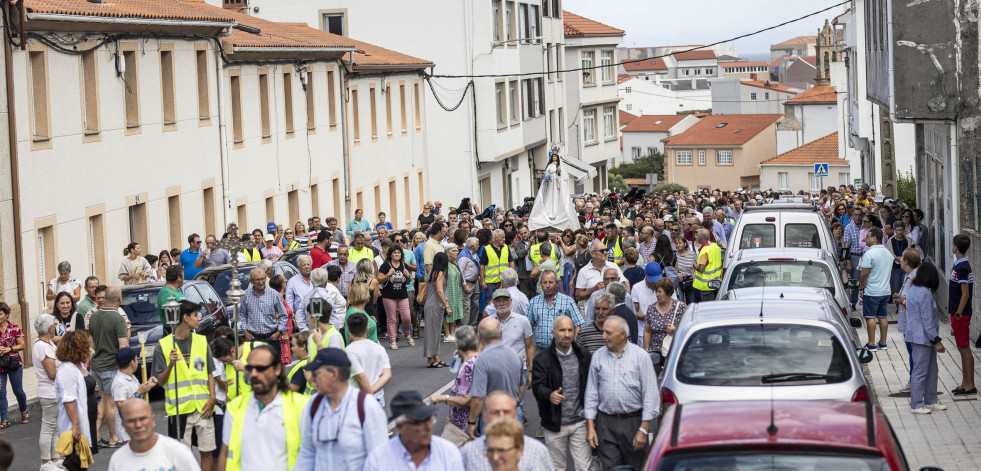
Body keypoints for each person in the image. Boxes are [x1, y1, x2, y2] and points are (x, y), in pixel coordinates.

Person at [217, 344, 310, 471]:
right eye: (250, 368)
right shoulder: (235, 409)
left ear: (277, 369)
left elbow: (314, 454)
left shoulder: (301, 406)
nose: (254, 374)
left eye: (260, 368)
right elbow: (225, 455)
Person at [585, 316, 659, 470]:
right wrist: (590, 427)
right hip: (606, 423)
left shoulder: (641, 357)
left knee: (635, 466)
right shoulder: (598, 356)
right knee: (609, 467)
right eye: (603, 332)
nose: (603, 336)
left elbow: (651, 396)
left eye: (608, 333)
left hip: (634, 423)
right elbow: (591, 394)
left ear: (622, 335)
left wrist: (643, 430)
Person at [295, 348, 388, 470]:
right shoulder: (312, 406)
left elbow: (379, 460)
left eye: (316, 374)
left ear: (333, 374)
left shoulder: (366, 406)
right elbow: (306, 454)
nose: (311, 379)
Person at [153, 300, 217, 469]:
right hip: (180, 409)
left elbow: (210, 372)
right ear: (185, 318)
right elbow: (160, 381)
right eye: (196, 315)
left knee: (206, 451)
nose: (199, 318)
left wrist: (212, 399)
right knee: (182, 455)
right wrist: (170, 364)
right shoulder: (164, 346)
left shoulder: (202, 341)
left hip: (204, 407)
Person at [532, 316, 592, 471]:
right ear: (553, 332)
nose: (566, 334)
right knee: (557, 467)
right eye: (562, 330)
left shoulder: (583, 355)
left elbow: (592, 385)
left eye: (570, 330)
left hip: (580, 422)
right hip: (554, 422)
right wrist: (549, 395)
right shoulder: (542, 359)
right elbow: (537, 387)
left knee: (584, 467)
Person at [364, 390, 463, 470]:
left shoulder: (448, 452)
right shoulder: (378, 459)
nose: (428, 427)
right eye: (418, 423)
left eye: (430, 420)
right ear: (400, 426)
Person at [460, 392, 552, 471]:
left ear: (515, 414)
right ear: (484, 416)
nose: (501, 417)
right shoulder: (468, 452)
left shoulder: (536, 450)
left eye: (506, 411)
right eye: (495, 412)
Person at [904, 261, 948, 414]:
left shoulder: (914, 289)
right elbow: (927, 320)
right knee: (921, 372)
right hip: (922, 338)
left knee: (931, 370)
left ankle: (930, 400)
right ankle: (916, 404)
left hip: (917, 336)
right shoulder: (924, 293)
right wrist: (937, 340)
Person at [468, 318, 523, 437]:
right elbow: (521, 386)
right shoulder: (515, 356)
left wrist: (472, 422)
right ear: (501, 333)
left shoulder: (482, 360)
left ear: (479, 336)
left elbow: (478, 398)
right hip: (514, 412)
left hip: (492, 416)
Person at [109, 399, 201, 471]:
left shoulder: (177, 451)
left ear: (153, 420)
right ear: (123, 425)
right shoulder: (117, 460)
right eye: (131, 421)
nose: (138, 425)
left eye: (143, 419)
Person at [88, 286, 128, 448]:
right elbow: (123, 346)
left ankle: (96, 435)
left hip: (96, 365)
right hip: (111, 366)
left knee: (103, 400)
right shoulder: (118, 318)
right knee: (111, 402)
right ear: (119, 298)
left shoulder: (94, 316)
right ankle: (113, 438)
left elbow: (90, 342)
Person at [428, 326, 479, 445]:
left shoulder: (467, 366)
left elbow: (466, 400)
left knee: (443, 455)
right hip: (476, 420)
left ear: (457, 345)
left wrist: (442, 398)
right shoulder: (479, 359)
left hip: (462, 423)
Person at [487, 289, 535, 401]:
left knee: (516, 405)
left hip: (518, 370)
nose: (502, 303)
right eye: (498, 301)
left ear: (510, 302)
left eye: (505, 300)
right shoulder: (488, 322)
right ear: (493, 304)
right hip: (495, 371)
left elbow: (530, 346)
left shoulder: (523, 321)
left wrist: (531, 372)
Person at [55, 332, 93, 452]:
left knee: (81, 464)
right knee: (74, 465)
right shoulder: (67, 370)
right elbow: (68, 399)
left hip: (85, 422)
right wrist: (76, 425)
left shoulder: (78, 366)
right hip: (74, 427)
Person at [238, 268, 289, 355]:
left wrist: (278, 332)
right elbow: (242, 314)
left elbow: (284, 315)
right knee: (255, 367)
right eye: (257, 280)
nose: (261, 282)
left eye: (263, 279)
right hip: (253, 338)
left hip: (271, 338)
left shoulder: (274, 294)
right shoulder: (245, 295)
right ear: (251, 281)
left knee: (273, 367)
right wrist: (245, 331)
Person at [111, 347, 157, 443]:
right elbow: (121, 405)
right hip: (127, 434)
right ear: (132, 363)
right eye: (136, 359)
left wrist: (148, 385)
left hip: (137, 429)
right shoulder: (119, 382)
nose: (137, 362)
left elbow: (137, 393)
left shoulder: (131, 377)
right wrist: (138, 392)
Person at [527, 271, 584, 349]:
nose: (547, 286)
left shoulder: (568, 301)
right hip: (539, 350)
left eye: (551, 282)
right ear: (540, 284)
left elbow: (578, 325)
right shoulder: (533, 302)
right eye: (545, 282)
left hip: (562, 349)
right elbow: (527, 328)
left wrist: (574, 347)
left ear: (557, 284)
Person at [346, 312, 392, 404]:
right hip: (377, 398)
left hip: (358, 400)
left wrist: (368, 394)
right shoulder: (379, 348)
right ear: (367, 329)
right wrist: (372, 392)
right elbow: (387, 375)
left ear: (348, 330)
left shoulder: (349, 350)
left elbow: (361, 376)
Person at [33, 314, 60, 468]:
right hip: (50, 392)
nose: (54, 328)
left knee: (55, 426)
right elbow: (52, 373)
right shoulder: (42, 346)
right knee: (48, 426)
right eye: (54, 325)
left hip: (53, 392)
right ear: (50, 328)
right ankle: (46, 461)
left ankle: (55, 458)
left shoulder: (47, 343)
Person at [949, 234, 975, 395]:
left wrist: (958, 313)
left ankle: (970, 384)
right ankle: (965, 382)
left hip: (961, 314)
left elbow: (965, 294)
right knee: (961, 347)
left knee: (965, 348)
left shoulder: (962, 268)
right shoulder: (960, 265)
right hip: (958, 313)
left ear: (955, 247)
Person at [860, 227, 893, 351]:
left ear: (874, 239)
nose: (865, 239)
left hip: (872, 290)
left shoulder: (869, 254)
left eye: (867, 237)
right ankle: (883, 342)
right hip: (885, 290)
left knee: (870, 317)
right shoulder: (888, 253)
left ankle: (871, 343)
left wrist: (861, 288)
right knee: (883, 317)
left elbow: (864, 273)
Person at [528, 153, 580, 231]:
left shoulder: (559, 166)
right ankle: (549, 213)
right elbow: (547, 172)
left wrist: (558, 177)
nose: (554, 158)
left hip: (556, 183)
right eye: (553, 156)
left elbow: (563, 176)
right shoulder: (550, 165)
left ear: (557, 158)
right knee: (549, 197)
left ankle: (555, 213)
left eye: (555, 156)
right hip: (550, 184)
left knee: (556, 196)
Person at [643, 278, 686, 368]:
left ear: (668, 293)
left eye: (659, 292)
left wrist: (676, 331)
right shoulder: (651, 308)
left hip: (675, 354)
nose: (657, 295)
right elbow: (647, 331)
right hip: (657, 357)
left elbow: (687, 329)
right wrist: (647, 352)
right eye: (656, 292)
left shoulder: (680, 307)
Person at [379, 244, 414, 349]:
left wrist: (408, 275)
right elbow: (379, 279)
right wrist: (388, 275)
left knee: (407, 318)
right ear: (391, 254)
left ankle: (407, 334)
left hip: (402, 295)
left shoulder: (404, 265)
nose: (397, 254)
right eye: (395, 252)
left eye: (398, 252)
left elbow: (408, 282)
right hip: (389, 296)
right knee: (391, 319)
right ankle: (392, 340)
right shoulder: (385, 266)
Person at [896, 248, 921, 393]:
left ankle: (915, 381)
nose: (900, 260)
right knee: (911, 352)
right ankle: (913, 379)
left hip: (912, 322)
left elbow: (917, 299)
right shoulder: (909, 275)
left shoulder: (915, 277)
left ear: (906, 261)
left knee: (914, 353)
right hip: (906, 321)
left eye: (902, 258)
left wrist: (903, 301)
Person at [425, 252, 452, 368]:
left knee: (435, 332)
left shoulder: (433, 272)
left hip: (433, 304)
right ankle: (430, 360)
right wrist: (447, 306)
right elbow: (439, 291)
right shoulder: (439, 273)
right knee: (432, 333)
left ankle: (436, 357)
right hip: (434, 305)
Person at [844, 206, 865, 310]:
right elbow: (846, 246)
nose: (857, 217)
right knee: (855, 281)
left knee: (867, 279)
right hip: (854, 256)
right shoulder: (848, 228)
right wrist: (847, 262)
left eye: (859, 215)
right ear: (852, 216)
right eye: (855, 215)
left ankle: (865, 300)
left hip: (865, 255)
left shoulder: (865, 227)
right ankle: (853, 303)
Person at [692, 228, 721, 302]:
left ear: (700, 238)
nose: (696, 237)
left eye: (697, 235)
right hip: (716, 283)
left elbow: (701, 269)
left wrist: (695, 265)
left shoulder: (705, 250)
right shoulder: (715, 246)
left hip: (705, 287)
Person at [156, 265, 185, 333]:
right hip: (173, 333)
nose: (184, 278)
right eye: (183, 276)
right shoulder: (166, 293)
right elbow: (171, 316)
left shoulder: (177, 290)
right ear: (178, 277)